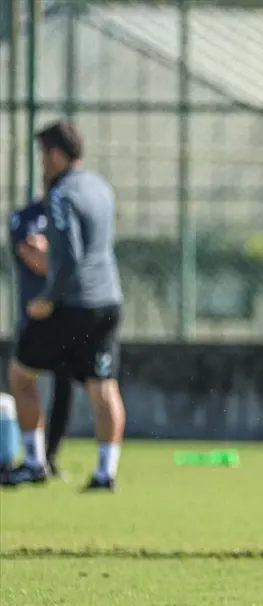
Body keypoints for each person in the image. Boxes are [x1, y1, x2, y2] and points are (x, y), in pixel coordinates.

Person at [3, 120, 126, 491]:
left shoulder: (61, 195)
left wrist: (47, 300)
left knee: (22, 375)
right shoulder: (101, 188)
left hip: (73, 303)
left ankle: (35, 462)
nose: (42, 165)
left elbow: (70, 258)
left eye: (43, 156)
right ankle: (106, 472)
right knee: (103, 386)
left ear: (56, 154)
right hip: (109, 301)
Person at [3, 182, 74, 481]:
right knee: (23, 378)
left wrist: (53, 255)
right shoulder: (25, 216)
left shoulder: (70, 215)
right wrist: (57, 257)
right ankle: (34, 458)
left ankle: (49, 455)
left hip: (69, 317)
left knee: (65, 383)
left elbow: (72, 261)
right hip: (33, 316)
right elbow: (37, 258)